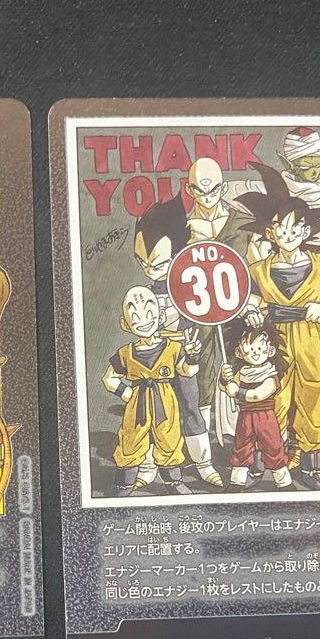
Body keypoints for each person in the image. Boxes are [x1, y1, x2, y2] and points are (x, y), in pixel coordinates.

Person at [239, 162, 320, 490]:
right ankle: (262, 466)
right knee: (272, 401)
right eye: (281, 229)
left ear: (306, 231)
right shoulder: (259, 269)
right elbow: (250, 302)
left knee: (315, 398)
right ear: (270, 233)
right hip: (273, 342)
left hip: (311, 339)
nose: (288, 235)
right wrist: (252, 312)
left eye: (295, 229)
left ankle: (312, 467)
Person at [130, 198, 223, 486]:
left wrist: (192, 349)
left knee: (190, 406)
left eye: (158, 263)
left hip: (183, 354)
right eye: (142, 262)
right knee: (151, 411)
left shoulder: (189, 288)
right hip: (153, 359)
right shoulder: (144, 293)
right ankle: (149, 466)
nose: (149, 269)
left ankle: (203, 463)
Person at [102, 285, 201, 496]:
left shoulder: (173, 348)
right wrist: (126, 393)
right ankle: (124, 485)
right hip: (137, 404)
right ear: (125, 324)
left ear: (161, 316)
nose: (143, 320)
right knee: (130, 440)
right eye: (135, 316)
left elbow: (187, 371)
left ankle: (174, 482)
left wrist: (192, 356)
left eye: (149, 313)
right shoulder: (125, 353)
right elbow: (109, 378)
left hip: (165, 401)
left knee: (169, 439)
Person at [218, 325, 294, 492]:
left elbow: (258, 395)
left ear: (271, 350)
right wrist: (225, 379)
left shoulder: (270, 374)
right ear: (239, 352)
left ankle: (284, 482)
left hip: (265, 417)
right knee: (241, 447)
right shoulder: (242, 371)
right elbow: (225, 388)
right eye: (250, 348)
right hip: (245, 417)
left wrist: (238, 392)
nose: (255, 352)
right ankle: (237, 482)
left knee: (273, 447)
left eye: (259, 348)